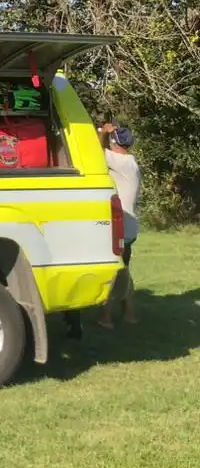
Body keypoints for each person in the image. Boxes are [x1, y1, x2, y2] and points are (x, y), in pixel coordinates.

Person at [99, 122, 141, 328]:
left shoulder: (119, 161)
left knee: (111, 271)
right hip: (129, 227)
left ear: (115, 142)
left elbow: (97, 151)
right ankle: (129, 315)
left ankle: (106, 319)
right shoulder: (130, 162)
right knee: (123, 270)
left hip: (120, 227)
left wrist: (102, 133)